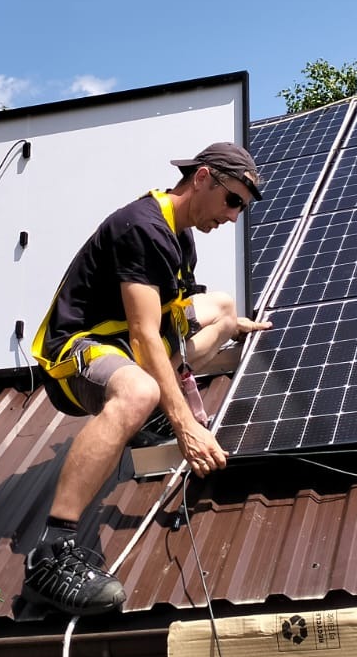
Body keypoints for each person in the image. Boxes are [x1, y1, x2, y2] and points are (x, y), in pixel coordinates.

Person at [25, 143, 272, 615]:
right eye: (233, 201)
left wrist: (226, 328)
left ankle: (153, 402)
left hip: (124, 341)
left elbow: (166, 319)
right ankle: (51, 554)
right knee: (141, 389)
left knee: (222, 306)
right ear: (202, 178)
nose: (234, 216)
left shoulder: (181, 236)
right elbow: (143, 335)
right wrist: (184, 425)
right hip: (79, 349)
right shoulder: (143, 228)